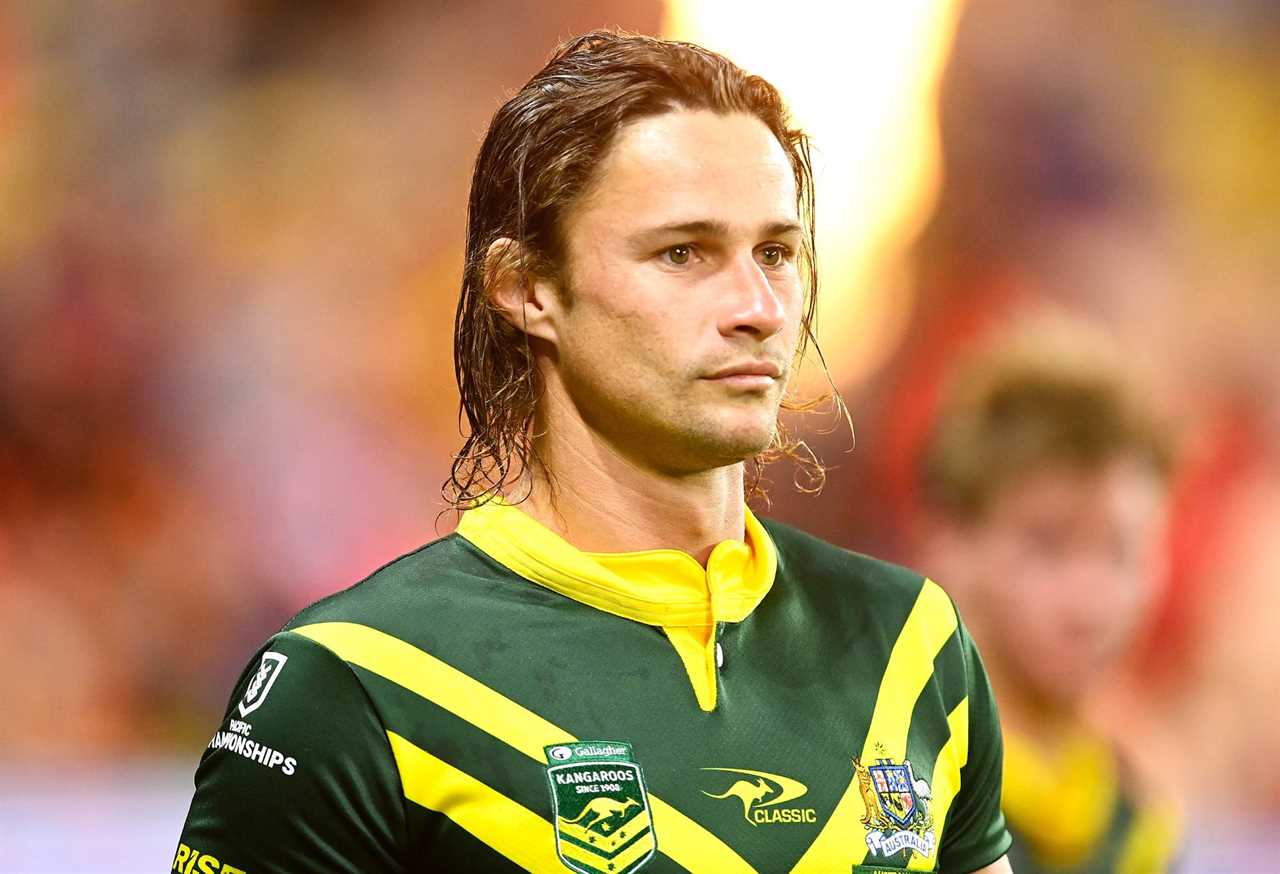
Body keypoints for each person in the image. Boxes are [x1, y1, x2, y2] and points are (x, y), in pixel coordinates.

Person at [174, 31, 1012, 874]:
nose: (757, 307)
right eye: (682, 253)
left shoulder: (911, 646)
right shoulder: (359, 682)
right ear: (527, 288)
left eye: (775, 254)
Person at [915, 317, 1181, 874]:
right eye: (1048, 547)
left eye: (1120, 551)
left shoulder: (1136, 823)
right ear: (952, 546)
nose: (1088, 603)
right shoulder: (900, 794)